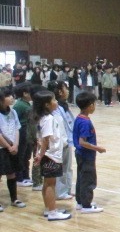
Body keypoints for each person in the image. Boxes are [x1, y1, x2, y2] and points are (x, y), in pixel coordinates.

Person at [32, 90, 70, 221]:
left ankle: (49, 208)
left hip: (48, 155)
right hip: (51, 156)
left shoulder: (43, 118)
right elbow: (45, 140)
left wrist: (40, 154)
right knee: (50, 184)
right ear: (47, 105)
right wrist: (41, 155)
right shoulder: (48, 119)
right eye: (53, 100)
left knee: (47, 183)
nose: (56, 101)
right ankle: (53, 212)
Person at [73, 91, 106, 213]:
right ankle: (86, 206)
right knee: (88, 179)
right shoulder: (85, 122)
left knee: (81, 178)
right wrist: (98, 148)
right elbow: (82, 142)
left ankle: (80, 202)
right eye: (94, 104)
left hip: (80, 154)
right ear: (90, 105)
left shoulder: (79, 118)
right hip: (86, 155)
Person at [0, 88, 27, 211]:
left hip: (12, 147)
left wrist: (15, 144)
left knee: (11, 173)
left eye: (11, 95)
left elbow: (17, 128)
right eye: (8, 96)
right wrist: (8, 146)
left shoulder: (13, 112)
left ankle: (14, 199)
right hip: (2, 148)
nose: (11, 97)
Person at [49, 81, 74, 201]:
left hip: (67, 140)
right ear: (59, 91)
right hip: (60, 142)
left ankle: (67, 189)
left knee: (67, 167)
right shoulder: (54, 109)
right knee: (61, 167)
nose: (67, 91)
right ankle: (60, 192)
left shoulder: (63, 106)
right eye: (66, 89)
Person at [13, 83, 34, 186]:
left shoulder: (27, 104)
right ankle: (19, 178)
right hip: (22, 132)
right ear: (25, 93)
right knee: (20, 156)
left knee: (27, 155)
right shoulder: (19, 105)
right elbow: (15, 121)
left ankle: (26, 176)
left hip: (28, 132)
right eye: (31, 92)